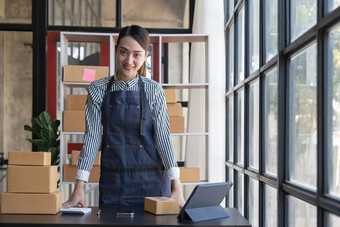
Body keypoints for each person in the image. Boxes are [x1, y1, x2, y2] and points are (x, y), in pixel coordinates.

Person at [62, 25, 185, 209]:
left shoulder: (154, 90)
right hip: (114, 185)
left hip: (152, 184)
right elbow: (92, 138)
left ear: (145, 56)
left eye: (136, 55)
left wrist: (177, 186)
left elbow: (163, 139)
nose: (129, 60)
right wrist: (79, 186)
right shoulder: (98, 89)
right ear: (116, 49)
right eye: (123, 52)